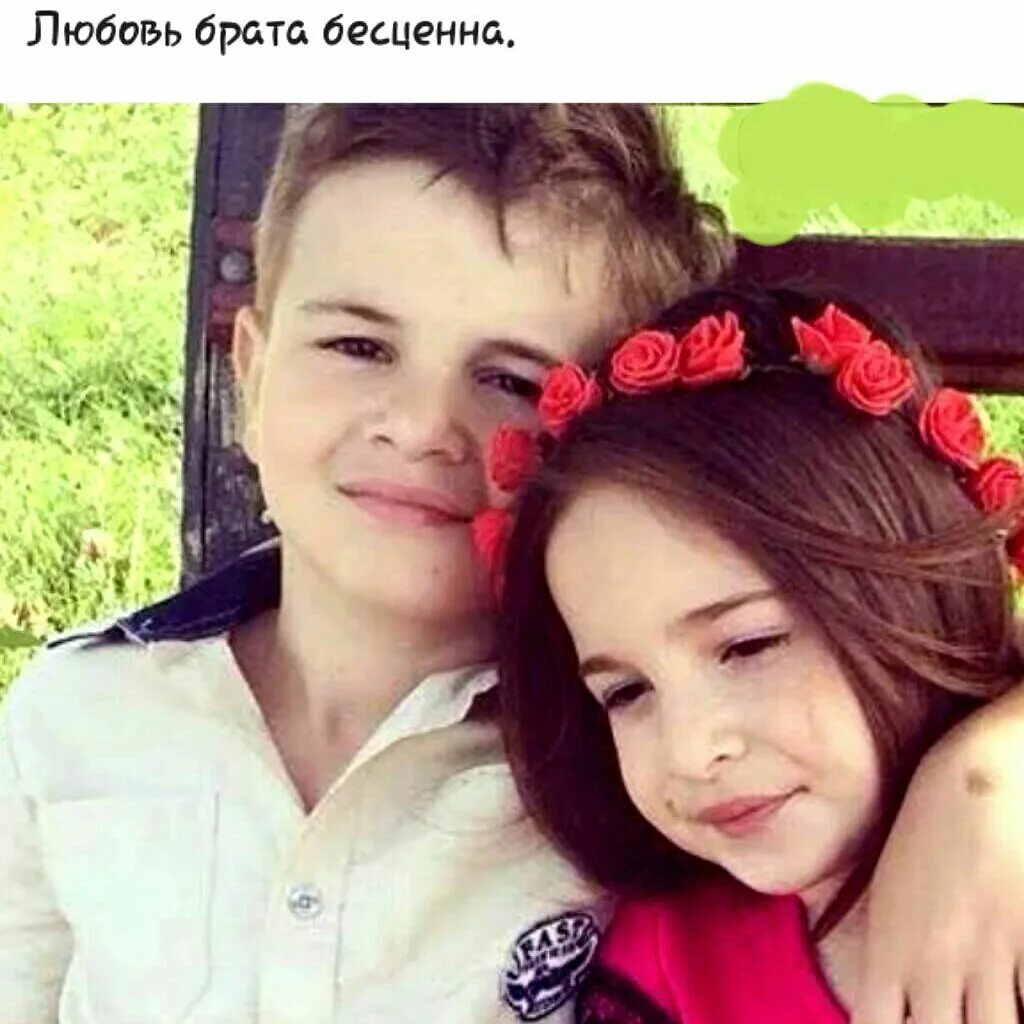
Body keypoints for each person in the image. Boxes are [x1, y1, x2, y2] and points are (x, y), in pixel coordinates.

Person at [2, 104, 1024, 1024]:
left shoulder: (618, 752)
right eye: (358, 346)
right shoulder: (78, 711)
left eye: (509, 379)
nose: (421, 426)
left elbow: (924, 641)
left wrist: (985, 770)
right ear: (251, 369)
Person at [495, 283, 1024, 1023]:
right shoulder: (673, 961)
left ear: (911, 585)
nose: (691, 751)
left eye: (748, 645)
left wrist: (985, 770)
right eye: (627, 692)